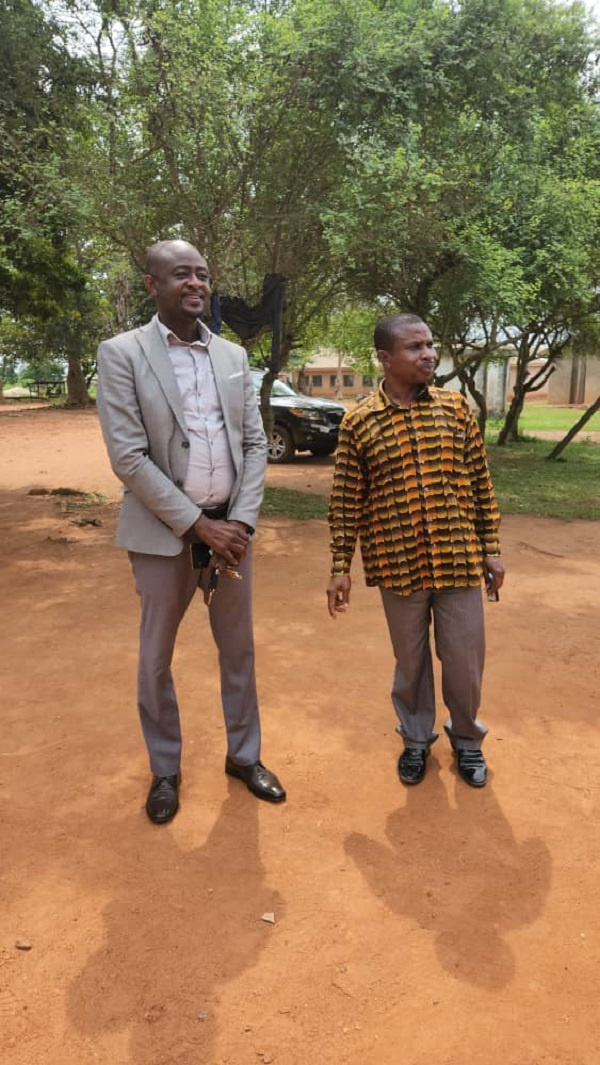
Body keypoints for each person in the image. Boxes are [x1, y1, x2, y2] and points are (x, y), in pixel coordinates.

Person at [97, 239, 285, 823]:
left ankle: (244, 756)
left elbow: (255, 445)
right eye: (182, 274)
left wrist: (240, 522)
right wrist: (199, 526)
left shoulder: (232, 356)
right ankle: (165, 769)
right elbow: (128, 458)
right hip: (164, 536)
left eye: (203, 274)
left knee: (239, 651)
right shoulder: (122, 353)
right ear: (152, 284)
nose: (196, 283)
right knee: (156, 657)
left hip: (232, 531)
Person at [326, 313, 504, 788]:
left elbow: (480, 484)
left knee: (464, 661)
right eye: (414, 347)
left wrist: (491, 547)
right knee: (411, 663)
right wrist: (340, 566)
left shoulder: (455, 409)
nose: (428, 354)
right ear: (385, 358)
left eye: (429, 344)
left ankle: (467, 741)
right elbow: (346, 499)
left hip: (458, 560)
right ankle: (415, 740)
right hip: (397, 563)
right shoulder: (359, 422)